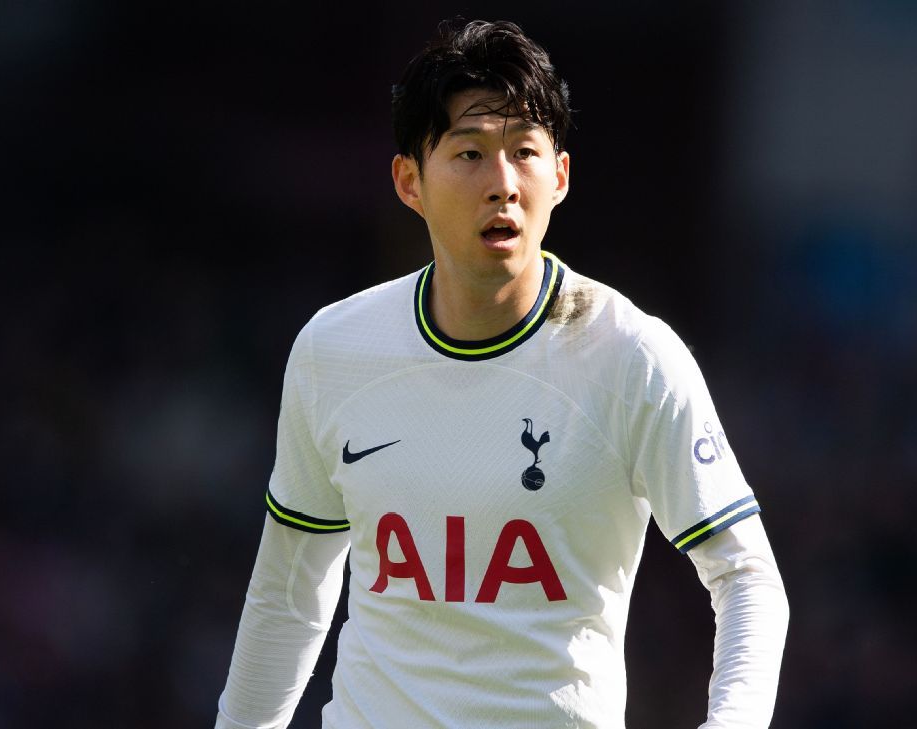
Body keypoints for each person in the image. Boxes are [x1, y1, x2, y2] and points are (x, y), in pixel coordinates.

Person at [215, 19, 788, 728]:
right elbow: (288, 593)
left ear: (562, 175)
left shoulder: (630, 356)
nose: (504, 183)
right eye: (469, 152)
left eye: (525, 152)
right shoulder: (334, 350)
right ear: (408, 180)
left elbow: (748, 578)